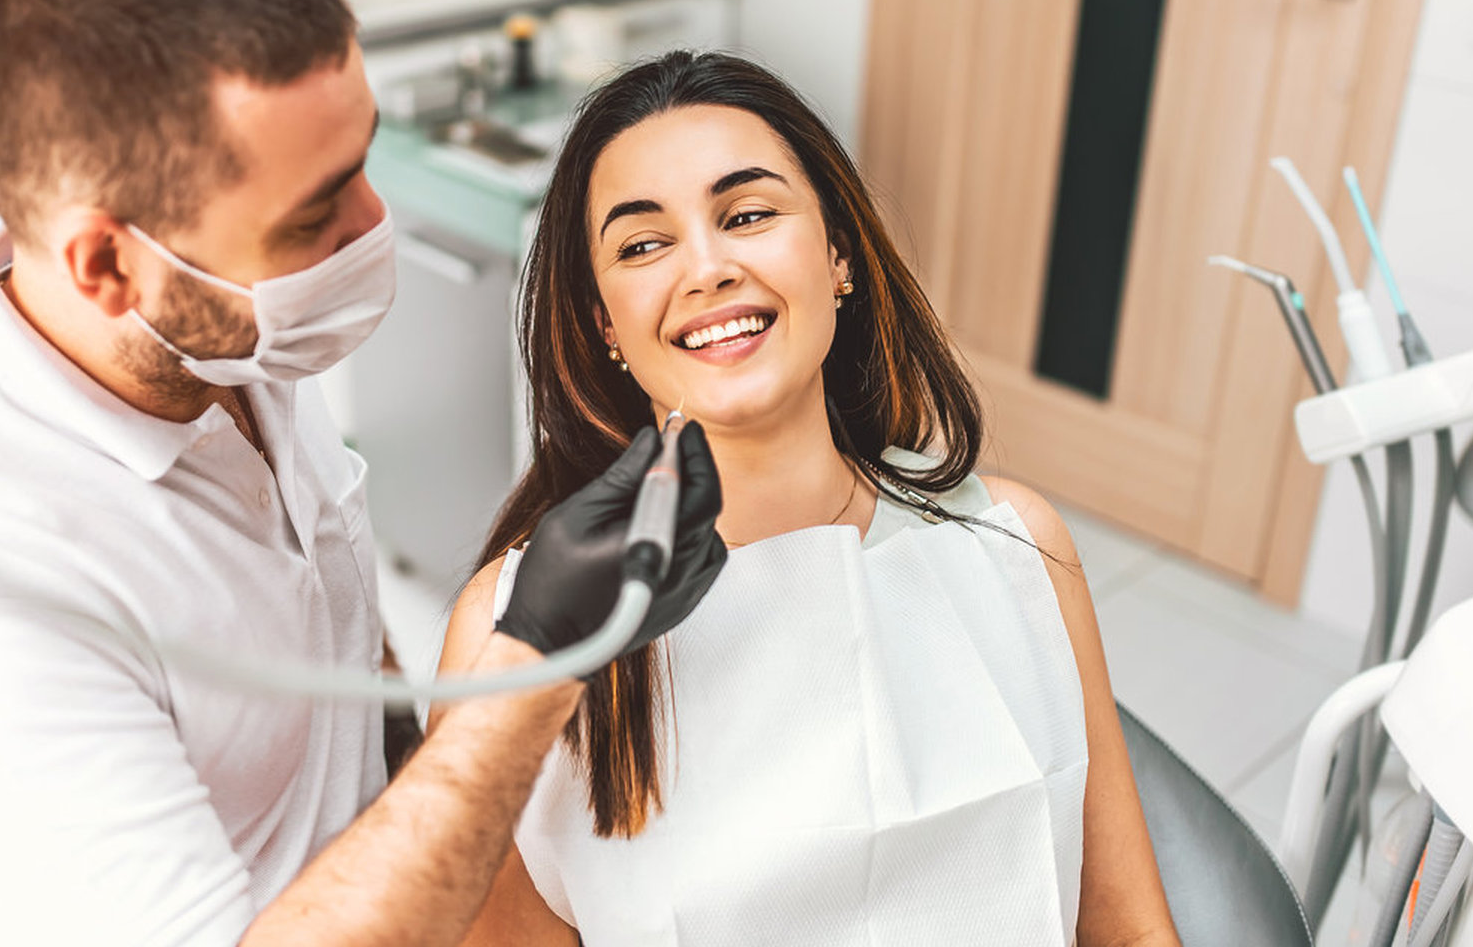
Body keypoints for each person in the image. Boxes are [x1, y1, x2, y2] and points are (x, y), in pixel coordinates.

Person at [0, 0, 725, 947]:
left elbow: (328, 616)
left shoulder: (222, 342)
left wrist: (426, 779)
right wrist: (532, 675)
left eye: (361, 162)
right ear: (107, 264)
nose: (372, 224)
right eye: (311, 215)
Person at [438, 51, 1183, 946]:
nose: (706, 269)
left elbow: (1129, 930)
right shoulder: (517, 635)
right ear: (606, 328)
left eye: (747, 214)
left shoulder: (1018, 549)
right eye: (643, 244)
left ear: (837, 257)